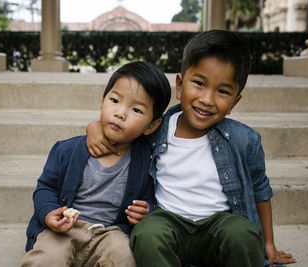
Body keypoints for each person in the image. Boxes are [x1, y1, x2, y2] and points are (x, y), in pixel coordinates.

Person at [86, 30, 296, 267]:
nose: (207, 99)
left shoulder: (243, 139)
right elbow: (124, 129)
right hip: (167, 223)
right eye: (199, 83)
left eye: (223, 91)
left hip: (219, 226)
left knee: (243, 232)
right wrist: (94, 127)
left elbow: (260, 190)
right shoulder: (156, 128)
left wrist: (268, 243)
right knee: (147, 233)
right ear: (179, 85)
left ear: (234, 102)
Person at [22, 61, 171, 267]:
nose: (120, 113)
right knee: (46, 259)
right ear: (102, 102)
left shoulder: (146, 159)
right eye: (115, 100)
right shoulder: (67, 150)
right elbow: (45, 188)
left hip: (110, 233)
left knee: (124, 257)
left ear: (152, 125)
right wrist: (48, 213)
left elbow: (149, 196)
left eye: (136, 109)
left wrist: (147, 209)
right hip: (66, 228)